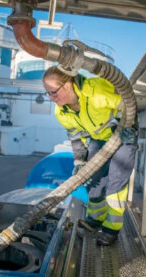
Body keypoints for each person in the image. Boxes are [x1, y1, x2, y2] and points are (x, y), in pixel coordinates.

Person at [42, 66, 138, 246]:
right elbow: (75, 137)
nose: (51, 98)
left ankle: (111, 230)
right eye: (47, 93)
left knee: (115, 185)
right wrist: (80, 160)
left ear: (68, 84)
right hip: (98, 139)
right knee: (94, 182)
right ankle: (95, 219)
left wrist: (130, 128)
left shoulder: (96, 92)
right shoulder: (60, 111)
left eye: (53, 92)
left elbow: (128, 106)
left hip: (123, 136)